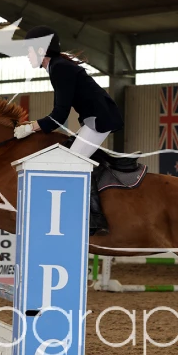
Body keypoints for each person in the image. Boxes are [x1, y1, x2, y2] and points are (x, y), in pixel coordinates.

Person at [13, 25, 124, 236]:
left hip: (100, 121)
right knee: (67, 155)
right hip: (94, 119)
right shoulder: (57, 66)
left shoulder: (60, 68)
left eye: (29, 50)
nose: (27, 55)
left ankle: (95, 218)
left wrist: (30, 128)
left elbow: (58, 116)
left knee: (73, 164)